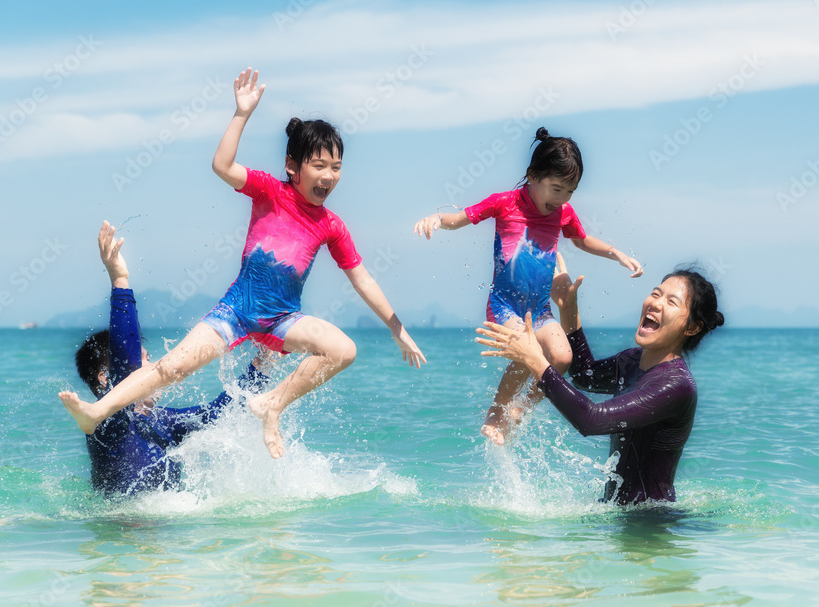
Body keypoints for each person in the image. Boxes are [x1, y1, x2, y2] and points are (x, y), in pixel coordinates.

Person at [60, 68, 426, 459]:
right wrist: (241, 114)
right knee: (172, 368)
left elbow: (363, 279)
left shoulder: (331, 226)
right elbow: (222, 165)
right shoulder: (269, 190)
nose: (328, 176)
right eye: (318, 165)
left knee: (343, 350)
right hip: (235, 310)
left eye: (335, 167)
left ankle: (272, 404)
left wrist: (396, 327)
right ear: (292, 166)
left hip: (283, 318)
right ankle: (97, 412)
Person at [414, 127, 643, 445]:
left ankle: (521, 409)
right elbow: (461, 218)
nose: (561, 199)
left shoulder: (562, 213)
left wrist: (615, 253)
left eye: (569, 192)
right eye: (556, 188)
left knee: (562, 359)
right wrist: (437, 219)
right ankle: (497, 412)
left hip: (540, 308)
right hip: (504, 304)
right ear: (533, 175)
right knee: (526, 353)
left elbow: (581, 240)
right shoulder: (504, 203)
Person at [476, 254, 724, 504]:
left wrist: (535, 360)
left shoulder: (675, 385)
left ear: (692, 328)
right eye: (656, 294)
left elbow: (591, 420)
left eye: (671, 302)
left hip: (651, 526)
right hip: (619, 517)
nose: (656, 304)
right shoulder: (632, 360)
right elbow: (585, 376)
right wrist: (568, 308)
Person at [74, 221, 267, 496]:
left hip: (162, 531)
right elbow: (125, 365)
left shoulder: (163, 422)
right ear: (106, 378)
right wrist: (120, 281)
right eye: (145, 360)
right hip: (121, 530)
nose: (154, 368)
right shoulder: (106, 425)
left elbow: (219, 412)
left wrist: (263, 363)